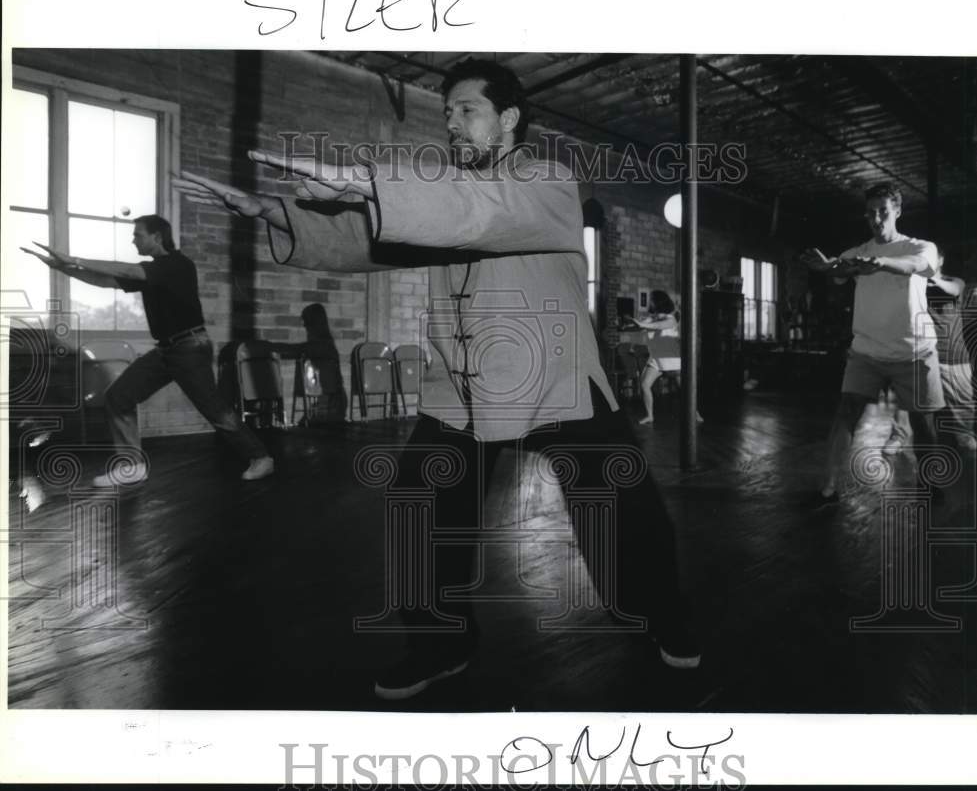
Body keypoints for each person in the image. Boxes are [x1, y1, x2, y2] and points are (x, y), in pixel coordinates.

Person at [175, 58, 700, 701]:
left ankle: (661, 616)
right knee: (420, 506)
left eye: (466, 110)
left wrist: (368, 180)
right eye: (447, 112)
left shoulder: (547, 181)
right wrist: (271, 211)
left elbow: (478, 212)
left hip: (555, 376)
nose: (452, 123)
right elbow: (374, 242)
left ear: (508, 119)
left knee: (622, 514)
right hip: (463, 385)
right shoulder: (446, 195)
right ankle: (441, 645)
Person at [22, 216, 275, 485]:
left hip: (189, 348)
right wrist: (62, 268)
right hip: (167, 350)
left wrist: (73, 258)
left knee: (214, 410)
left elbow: (127, 271)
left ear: (157, 237)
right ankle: (133, 467)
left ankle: (261, 458)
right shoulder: (153, 272)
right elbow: (105, 280)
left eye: (138, 235)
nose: (134, 240)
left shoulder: (177, 265)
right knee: (118, 397)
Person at [802, 183, 944, 504]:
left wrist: (880, 263)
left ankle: (930, 482)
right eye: (870, 213)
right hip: (866, 350)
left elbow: (912, 267)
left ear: (897, 211)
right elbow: (837, 269)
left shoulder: (921, 247)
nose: (876, 218)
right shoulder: (857, 253)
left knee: (923, 421)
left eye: (883, 211)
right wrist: (826, 266)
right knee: (846, 412)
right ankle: (828, 486)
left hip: (914, 351)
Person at [883, 246, 977, 455]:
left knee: (962, 401)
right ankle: (898, 436)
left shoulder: (954, 281)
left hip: (953, 354)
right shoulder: (913, 284)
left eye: (930, 258)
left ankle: (964, 436)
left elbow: (954, 290)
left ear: (940, 260)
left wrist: (932, 280)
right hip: (921, 352)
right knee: (906, 397)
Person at [259, 303, 347, 424]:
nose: (305, 326)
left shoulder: (322, 346)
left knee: (304, 426)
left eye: (307, 322)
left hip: (332, 405)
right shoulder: (327, 345)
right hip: (334, 403)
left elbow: (296, 349)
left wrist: (269, 347)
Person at [629, 289, 703, 426]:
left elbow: (659, 326)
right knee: (645, 384)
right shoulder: (651, 318)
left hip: (673, 360)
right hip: (656, 358)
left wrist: (643, 324)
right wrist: (628, 324)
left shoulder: (671, 318)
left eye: (651, 299)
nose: (649, 302)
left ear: (658, 302)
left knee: (684, 390)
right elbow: (640, 327)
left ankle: (695, 413)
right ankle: (650, 416)